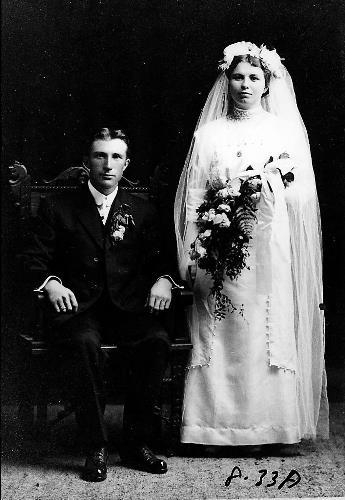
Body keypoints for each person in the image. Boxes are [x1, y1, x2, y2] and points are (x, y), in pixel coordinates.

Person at [174, 42, 329, 451]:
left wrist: (266, 184)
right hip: (218, 243)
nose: (245, 85)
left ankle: (270, 427)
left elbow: (302, 196)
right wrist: (190, 249)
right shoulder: (209, 134)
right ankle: (213, 428)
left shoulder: (282, 132)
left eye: (254, 78)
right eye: (238, 77)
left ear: (266, 83)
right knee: (220, 328)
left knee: (264, 328)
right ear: (227, 80)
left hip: (267, 243)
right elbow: (193, 195)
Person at [22, 127, 180, 481]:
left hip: (128, 307)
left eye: (116, 157)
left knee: (155, 340)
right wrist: (50, 284)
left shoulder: (143, 209)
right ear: (86, 162)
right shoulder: (57, 206)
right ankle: (95, 445)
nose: (108, 165)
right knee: (83, 343)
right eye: (100, 156)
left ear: (126, 164)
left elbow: (165, 259)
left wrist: (164, 281)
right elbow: (33, 258)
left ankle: (136, 442)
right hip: (79, 308)